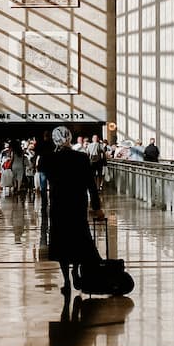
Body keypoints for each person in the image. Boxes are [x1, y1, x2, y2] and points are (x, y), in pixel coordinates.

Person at [37, 126, 99, 298]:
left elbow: (42, 177)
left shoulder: (48, 159)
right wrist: (96, 207)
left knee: (61, 240)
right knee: (78, 237)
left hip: (58, 204)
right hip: (77, 204)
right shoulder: (81, 157)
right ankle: (76, 271)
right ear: (70, 138)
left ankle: (66, 280)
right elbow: (91, 184)